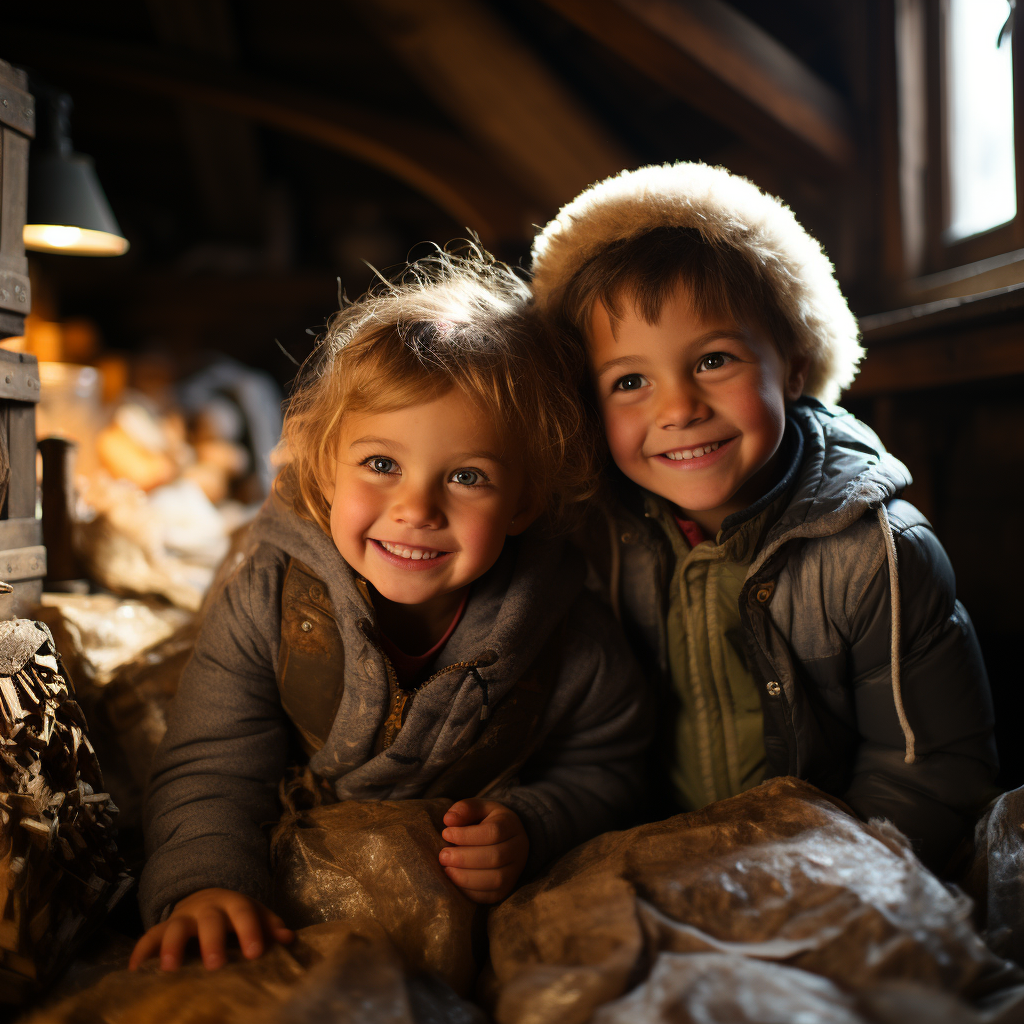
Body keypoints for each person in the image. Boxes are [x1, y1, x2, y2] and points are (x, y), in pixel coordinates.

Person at [130, 250, 650, 972]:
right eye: (381, 465)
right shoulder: (269, 594)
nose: (415, 510)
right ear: (325, 467)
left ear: (525, 501)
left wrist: (534, 824)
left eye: (467, 477)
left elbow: (610, 766)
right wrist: (206, 884)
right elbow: (213, 761)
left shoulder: (567, 634)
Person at [530, 162, 997, 875]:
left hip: (829, 866)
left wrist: (824, 876)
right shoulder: (593, 537)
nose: (678, 408)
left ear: (796, 365)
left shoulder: (876, 552)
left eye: (714, 360)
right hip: (653, 859)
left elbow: (928, 769)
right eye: (630, 381)